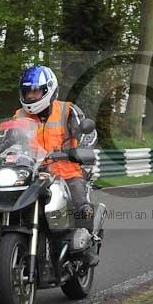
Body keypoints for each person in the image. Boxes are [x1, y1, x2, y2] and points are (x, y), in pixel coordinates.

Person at [14, 65, 99, 263]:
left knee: (79, 203)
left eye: (36, 91)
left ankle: (87, 246)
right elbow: (7, 139)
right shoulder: (19, 115)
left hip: (67, 172)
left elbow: (89, 134)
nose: (32, 95)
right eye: (28, 91)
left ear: (48, 90)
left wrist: (81, 152)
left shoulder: (67, 110)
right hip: (33, 174)